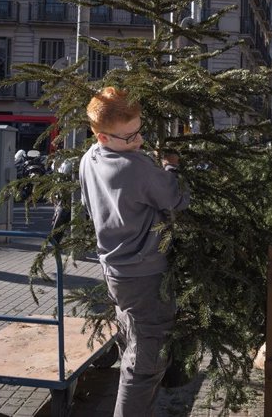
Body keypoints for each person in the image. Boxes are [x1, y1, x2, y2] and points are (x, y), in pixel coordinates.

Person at [79, 87, 190, 416]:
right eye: (129, 137)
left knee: (134, 344)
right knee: (144, 366)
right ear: (102, 136)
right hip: (145, 275)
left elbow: (89, 205)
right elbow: (176, 198)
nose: (139, 141)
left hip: (115, 271)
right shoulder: (135, 166)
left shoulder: (89, 159)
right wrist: (171, 167)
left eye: (139, 131)